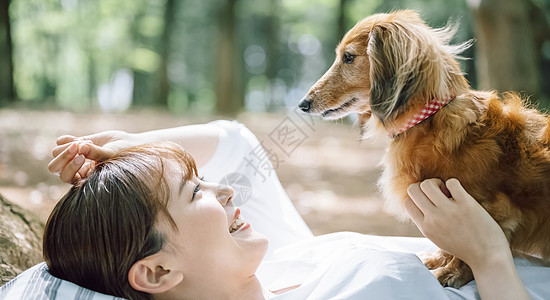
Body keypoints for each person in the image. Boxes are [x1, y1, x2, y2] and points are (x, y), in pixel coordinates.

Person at [1, 121, 542, 299]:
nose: (226, 192)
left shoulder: (274, 264)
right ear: (158, 271)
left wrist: (128, 146)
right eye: (196, 194)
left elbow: (237, 144)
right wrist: (488, 256)